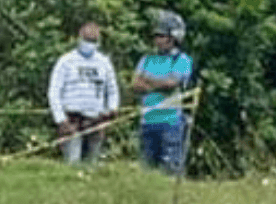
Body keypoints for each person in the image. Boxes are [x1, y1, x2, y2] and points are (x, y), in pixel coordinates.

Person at [47, 21, 120, 165]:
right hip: (72, 120)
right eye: (87, 40)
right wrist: (61, 120)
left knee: (93, 164)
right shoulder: (66, 61)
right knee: (73, 163)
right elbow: (54, 92)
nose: (89, 44)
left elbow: (112, 91)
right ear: (79, 38)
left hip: (96, 120)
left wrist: (112, 109)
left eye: (93, 41)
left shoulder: (104, 62)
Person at [133, 10, 195, 175]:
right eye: (156, 36)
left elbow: (172, 83)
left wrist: (149, 81)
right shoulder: (147, 59)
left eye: (161, 35)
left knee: (170, 170)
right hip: (147, 121)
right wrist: (158, 83)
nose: (157, 40)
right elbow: (136, 85)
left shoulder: (182, 60)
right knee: (146, 170)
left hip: (171, 123)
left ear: (173, 37)